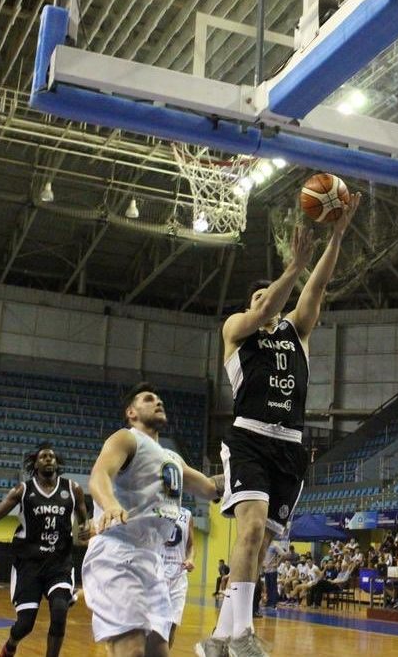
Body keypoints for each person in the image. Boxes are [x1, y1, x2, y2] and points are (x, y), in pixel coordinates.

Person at [200, 193, 359, 657]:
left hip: (290, 447)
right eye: (260, 297)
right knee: (249, 532)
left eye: (271, 296)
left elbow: (317, 289)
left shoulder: (296, 332)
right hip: (249, 437)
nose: (267, 302)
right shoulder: (236, 330)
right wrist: (293, 267)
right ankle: (243, 635)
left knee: (262, 543)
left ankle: (219, 638)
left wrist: (337, 237)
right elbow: (264, 309)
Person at [83, 381, 223, 657]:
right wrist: (110, 504)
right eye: (148, 399)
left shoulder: (172, 458)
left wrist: (249, 475)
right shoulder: (126, 438)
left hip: (152, 560)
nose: (157, 401)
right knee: (131, 650)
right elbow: (99, 475)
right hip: (118, 552)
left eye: (159, 399)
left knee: (158, 651)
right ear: (131, 412)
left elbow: (209, 488)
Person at [0, 443, 89, 657]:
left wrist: (86, 529)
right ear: (35, 464)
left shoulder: (73, 489)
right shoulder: (23, 490)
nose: (48, 459)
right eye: (43, 456)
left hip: (59, 563)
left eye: (51, 456)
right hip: (29, 564)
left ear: (57, 462)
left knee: (60, 611)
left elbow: (84, 519)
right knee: (25, 625)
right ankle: (10, 646)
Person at [163, 507, 195, 647]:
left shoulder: (187, 514)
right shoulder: (155, 508)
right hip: (156, 574)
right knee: (152, 627)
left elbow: (191, 545)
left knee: (171, 626)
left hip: (178, 576)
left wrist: (191, 558)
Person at [263, 538, 286, 609]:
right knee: (268, 587)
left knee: (273, 587)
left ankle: (273, 603)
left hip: (272, 570)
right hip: (266, 570)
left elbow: (283, 554)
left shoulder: (275, 545)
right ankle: (269, 602)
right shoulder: (265, 545)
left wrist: (277, 563)